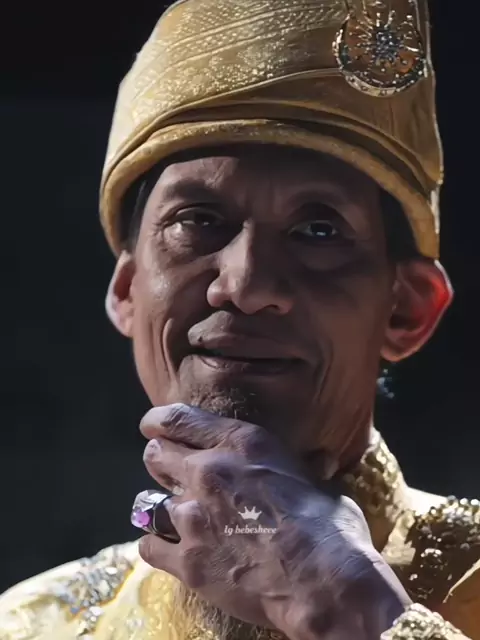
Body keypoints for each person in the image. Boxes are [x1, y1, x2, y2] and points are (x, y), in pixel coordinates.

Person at [2, 0, 480, 638]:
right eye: (197, 220)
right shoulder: (32, 623)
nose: (247, 286)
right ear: (127, 291)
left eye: (318, 230)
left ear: (407, 310)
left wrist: (355, 609)